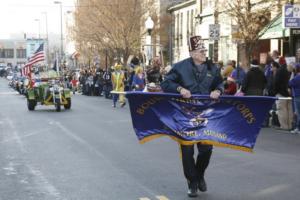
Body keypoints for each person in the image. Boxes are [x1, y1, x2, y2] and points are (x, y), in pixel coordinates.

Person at [161, 36, 223, 198]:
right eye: (201, 51)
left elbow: (220, 83)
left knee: (206, 149)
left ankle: (199, 174)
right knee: (187, 150)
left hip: (206, 116)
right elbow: (166, 84)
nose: (204, 54)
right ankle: (192, 182)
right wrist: (180, 89)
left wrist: (218, 91)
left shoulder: (212, 68)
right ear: (192, 53)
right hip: (185, 115)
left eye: (204, 51)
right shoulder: (180, 67)